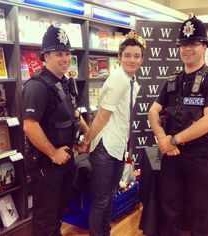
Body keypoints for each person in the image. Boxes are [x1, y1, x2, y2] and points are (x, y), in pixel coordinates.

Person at [148, 14, 208, 236]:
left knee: (198, 212)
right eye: (183, 44)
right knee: (169, 208)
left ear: (204, 47)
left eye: (193, 43)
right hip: (172, 156)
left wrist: (172, 140)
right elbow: (153, 111)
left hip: (200, 156)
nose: (187, 49)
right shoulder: (173, 80)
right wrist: (162, 136)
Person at [22, 25, 89, 236]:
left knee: (59, 211)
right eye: (59, 53)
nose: (65, 58)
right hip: (47, 164)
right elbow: (29, 126)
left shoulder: (64, 82)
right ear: (46, 56)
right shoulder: (37, 86)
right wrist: (52, 153)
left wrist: (87, 133)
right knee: (46, 217)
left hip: (65, 158)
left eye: (67, 53)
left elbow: (73, 112)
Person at [83, 31, 146, 236]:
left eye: (137, 56)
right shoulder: (118, 79)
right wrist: (87, 140)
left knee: (109, 196)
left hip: (117, 146)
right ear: (120, 57)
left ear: (142, 59)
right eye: (127, 55)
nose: (132, 60)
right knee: (101, 200)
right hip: (105, 147)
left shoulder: (131, 81)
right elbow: (102, 117)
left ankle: (105, 232)